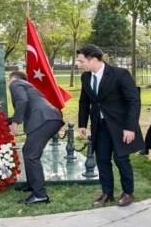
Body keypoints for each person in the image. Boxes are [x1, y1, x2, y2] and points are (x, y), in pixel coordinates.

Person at [76, 44, 143, 207]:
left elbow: (134, 101)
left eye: (81, 61)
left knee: (121, 159)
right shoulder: (86, 77)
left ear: (93, 60)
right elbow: (84, 101)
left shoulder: (120, 74)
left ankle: (128, 192)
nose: (79, 64)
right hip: (100, 125)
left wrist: (130, 127)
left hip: (121, 126)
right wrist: (82, 123)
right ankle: (107, 193)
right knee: (103, 160)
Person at [8, 71, 64, 204]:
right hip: (49, 119)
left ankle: (40, 195)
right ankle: (33, 185)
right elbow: (27, 107)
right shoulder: (28, 86)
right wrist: (2, 120)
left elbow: (22, 101)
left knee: (31, 155)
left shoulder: (15, 83)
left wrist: (15, 123)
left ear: (12, 79)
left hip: (44, 120)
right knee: (28, 151)